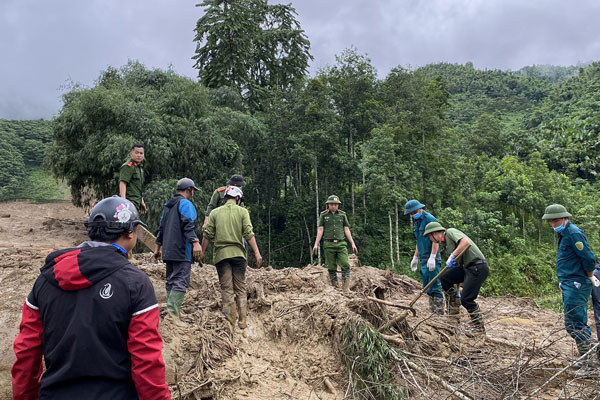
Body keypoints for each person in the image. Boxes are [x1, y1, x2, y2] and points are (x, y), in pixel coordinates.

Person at [12, 196, 170, 400]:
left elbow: (27, 353)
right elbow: (147, 362)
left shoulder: (44, 281)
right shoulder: (136, 284)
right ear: (130, 232)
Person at [542, 204, 600, 375]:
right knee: (573, 323)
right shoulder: (564, 233)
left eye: (556, 220)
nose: (553, 224)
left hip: (577, 284)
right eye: (551, 221)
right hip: (570, 282)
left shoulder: (573, 233)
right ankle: (587, 359)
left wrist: (590, 276)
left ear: (565, 218)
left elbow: (588, 258)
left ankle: (590, 365)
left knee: (575, 323)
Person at [202, 186, 262, 329]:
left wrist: (202, 252)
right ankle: (242, 321)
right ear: (237, 198)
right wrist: (257, 253)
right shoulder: (243, 212)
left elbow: (207, 234)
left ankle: (230, 322)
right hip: (239, 256)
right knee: (240, 288)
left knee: (227, 289)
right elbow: (248, 234)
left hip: (222, 256)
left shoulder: (215, 213)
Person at [423, 222, 489, 334]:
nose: (431, 240)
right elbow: (458, 266)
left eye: (430, 237)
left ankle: (479, 327)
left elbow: (466, 242)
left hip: (477, 267)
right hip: (466, 268)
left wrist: (452, 255)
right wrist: (457, 290)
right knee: (445, 278)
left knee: (467, 299)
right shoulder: (447, 244)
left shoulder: (450, 232)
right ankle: (453, 308)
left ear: (434, 233)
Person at [155, 178, 203, 326]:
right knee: (181, 280)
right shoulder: (186, 204)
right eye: (193, 190)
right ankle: (173, 315)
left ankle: (172, 312)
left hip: (168, 251)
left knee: (171, 280)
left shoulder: (168, 206)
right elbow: (188, 225)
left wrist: (157, 248)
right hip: (182, 250)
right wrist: (195, 243)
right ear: (189, 190)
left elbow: (161, 228)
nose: (193, 193)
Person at [404, 200, 444, 314]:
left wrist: (432, 256)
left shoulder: (429, 219)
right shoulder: (417, 221)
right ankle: (433, 312)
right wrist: (415, 257)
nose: (412, 215)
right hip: (423, 258)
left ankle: (439, 313)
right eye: (410, 214)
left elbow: (437, 239)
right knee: (427, 286)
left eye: (413, 212)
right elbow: (419, 240)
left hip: (432, 258)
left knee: (435, 285)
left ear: (418, 209)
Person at [312, 195, 358, 291]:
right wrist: (316, 244)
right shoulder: (323, 215)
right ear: (328, 205)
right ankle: (335, 287)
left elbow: (346, 229)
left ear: (338, 205)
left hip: (341, 244)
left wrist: (353, 243)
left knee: (345, 264)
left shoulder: (342, 215)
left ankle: (346, 288)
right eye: (332, 204)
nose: (334, 206)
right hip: (328, 244)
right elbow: (320, 230)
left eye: (336, 204)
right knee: (331, 267)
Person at [119, 144, 147, 213]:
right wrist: (123, 202)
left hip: (136, 202)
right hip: (129, 202)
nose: (139, 155)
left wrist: (141, 200)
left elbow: (137, 187)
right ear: (131, 154)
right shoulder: (128, 166)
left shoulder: (139, 168)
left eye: (141, 153)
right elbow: (122, 183)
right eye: (136, 153)